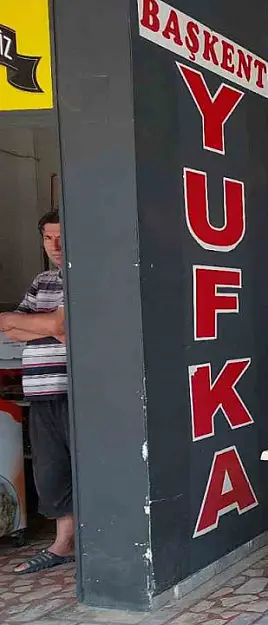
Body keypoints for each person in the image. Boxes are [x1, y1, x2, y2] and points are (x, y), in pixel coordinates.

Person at [0, 210, 73, 574]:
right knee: (51, 470)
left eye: (61, 236)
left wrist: (42, 325)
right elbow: (7, 325)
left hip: (75, 388)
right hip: (40, 389)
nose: (55, 246)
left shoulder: (84, 272)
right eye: (48, 238)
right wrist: (47, 327)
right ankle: (64, 544)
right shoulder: (42, 280)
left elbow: (64, 325)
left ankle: (86, 540)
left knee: (84, 465)